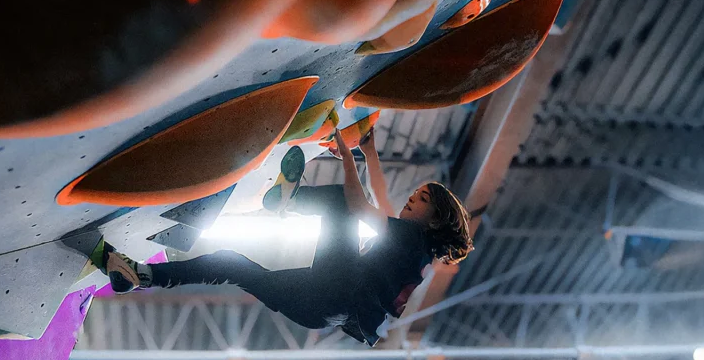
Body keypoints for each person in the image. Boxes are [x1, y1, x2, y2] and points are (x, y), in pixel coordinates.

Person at [97, 129, 473, 346]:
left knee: (345, 207)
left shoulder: (412, 241)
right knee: (232, 264)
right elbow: (384, 206)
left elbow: (364, 211)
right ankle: (143, 275)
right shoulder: (414, 253)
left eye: (421, 199)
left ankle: (291, 199)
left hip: (336, 291)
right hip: (316, 309)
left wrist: (347, 156)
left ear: (436, 220)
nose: (412, 198)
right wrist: (370, 152)